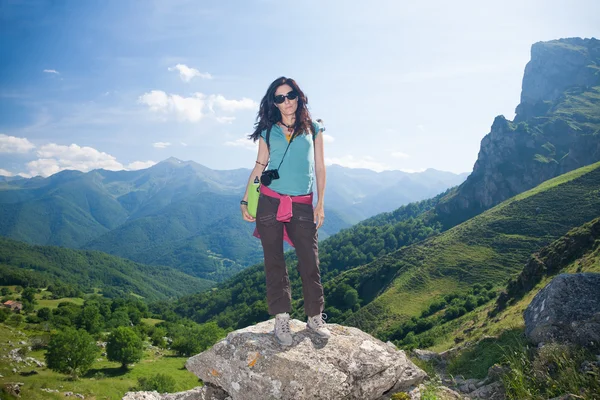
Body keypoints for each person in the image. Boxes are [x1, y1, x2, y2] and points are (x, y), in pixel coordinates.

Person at [240, 76, 330, 346]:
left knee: (309, 261)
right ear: (274, 103)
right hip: (269, 201)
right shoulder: (268, 132)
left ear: (299, 96)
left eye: (290, 95)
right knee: (274, 262)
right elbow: (259, 166)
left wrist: (320, 203)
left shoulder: (313, 129)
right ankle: (281, 319)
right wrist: (246, 200)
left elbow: (320, 167)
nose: (286, 101)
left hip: (302, 203)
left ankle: (314, 317)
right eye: (279, 98)